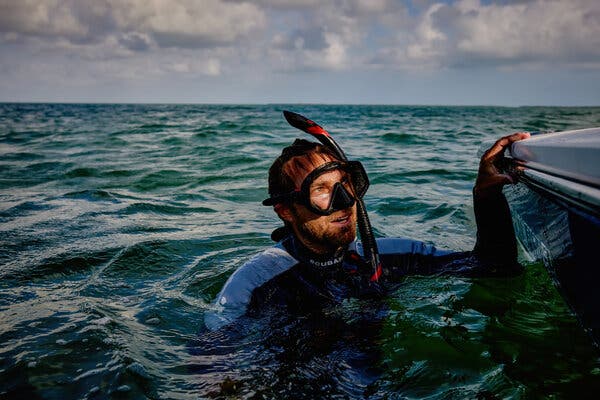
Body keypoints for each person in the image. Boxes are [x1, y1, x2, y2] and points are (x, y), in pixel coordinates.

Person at [204, 125, 530, 331]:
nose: (345, 200)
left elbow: (494, 267)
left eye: (347, 184)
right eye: (322, 190)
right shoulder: (256, 281)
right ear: (286, 210)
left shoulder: (388, 257)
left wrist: (485, 193)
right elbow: (212, 361)